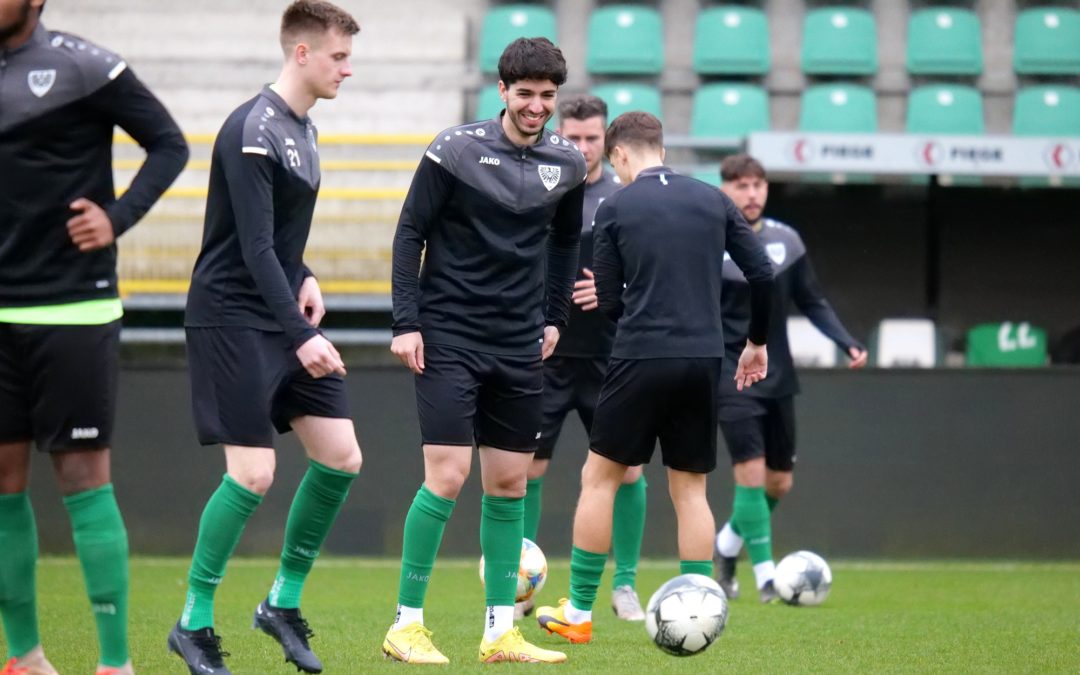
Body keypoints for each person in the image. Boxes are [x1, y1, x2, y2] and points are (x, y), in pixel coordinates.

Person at [166, 3, 362, 674]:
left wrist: (305, 275)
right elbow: (249, 247)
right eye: (339, 57)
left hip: (278, 311)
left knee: (340, 456)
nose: (348, 68)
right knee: (253, 472)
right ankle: (193, 621)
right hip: (232, 315)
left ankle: (281, 602)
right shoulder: (252, 129)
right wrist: (301, 333)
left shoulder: (304, 131)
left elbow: (279, 243)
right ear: (302, 54)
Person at [383, 37, 586, 665]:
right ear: (501, 92)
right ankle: (405, 625)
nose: (535, 107)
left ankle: (500, 632)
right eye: (524, 94)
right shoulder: (454, 150)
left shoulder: (569, 163)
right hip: (449, 333)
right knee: (447, 475)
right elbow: (409, 231)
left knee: (508, 484)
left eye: (547, 97)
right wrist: (406, 321)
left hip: (519, 340)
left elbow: (564, 245)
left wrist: (554, 319)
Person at [0, 0, 189, 672]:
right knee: (2, 485)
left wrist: (117, 217)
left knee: (84, 479)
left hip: (73, 309)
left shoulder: (85, 67)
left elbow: (170, 143)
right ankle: (22, 655)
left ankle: (115, 663)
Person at [537, 112, 774, 645]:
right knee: (691, 491)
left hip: (640, 356)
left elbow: (612, 300)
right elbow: (762, 273)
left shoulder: (617, 205)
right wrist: (755, 343)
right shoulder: (713, 200)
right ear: (661, 150)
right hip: (704, 359)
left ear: (618, 154)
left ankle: (577, 612)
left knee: (599, 479)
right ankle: (701, 611)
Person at [711, 154, 867, 603]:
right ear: (724, 189)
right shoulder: (708, 240)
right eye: (741, 185)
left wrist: (847, 341)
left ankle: (726, 547)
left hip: (778, 376)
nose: (751, 193)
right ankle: (766, 578)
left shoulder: (787, 241)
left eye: (758, 184)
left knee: (779, 483)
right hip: (728, 372)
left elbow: (812, 300)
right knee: (751, 476)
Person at [522, 94, 648, 622]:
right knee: (526, 468)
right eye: (572, 137)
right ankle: (519, 582)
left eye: (592, 138)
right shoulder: (538, 185)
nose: (582, 146)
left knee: (630, 471)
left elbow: (652, 267)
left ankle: (624, 586)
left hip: (610, 356)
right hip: (546, 354)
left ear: (608, 141)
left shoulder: (627, 197)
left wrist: (618, 286)